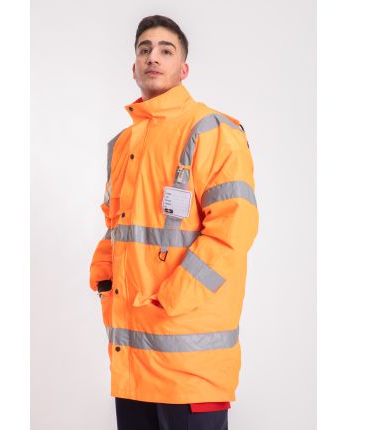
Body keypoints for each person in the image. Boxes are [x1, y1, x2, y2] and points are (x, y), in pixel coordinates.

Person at [89, 14, 259, 430]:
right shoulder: (123, 145)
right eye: (144, 49)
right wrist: (104, 279)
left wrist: (172, 299)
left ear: (184, 69)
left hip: (190, 363)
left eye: (166, 50)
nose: (153, 57)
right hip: (132, 358)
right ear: (133, 67)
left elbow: (232, 231)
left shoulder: (213, 131)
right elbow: (117, 229)